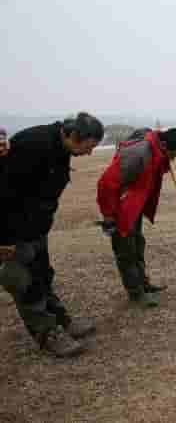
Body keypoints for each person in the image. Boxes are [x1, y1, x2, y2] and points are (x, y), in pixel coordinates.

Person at [0, 112, 104, 357]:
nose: (89, 153)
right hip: (13, 231)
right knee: (24, 283)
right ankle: (47, 333)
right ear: (74, 135)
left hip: (36, 228)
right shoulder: (32, 145)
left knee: (43, 276)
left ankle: (61, 320)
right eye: (88, 147)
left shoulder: (61, 146)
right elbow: (4, 194)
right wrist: (4, 240)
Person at [96, 127, 176, 307]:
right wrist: (108, 216)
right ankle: (136, 293)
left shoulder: (156, 149)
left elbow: (151, 170)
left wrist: (165, 162)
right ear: (166, 145)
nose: (174, 158)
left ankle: (142, 284)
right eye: (175, 153)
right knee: (126, 251)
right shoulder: (139, 153)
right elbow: (106, 183)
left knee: (138, 244)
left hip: (134, 206)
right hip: (121, 209)